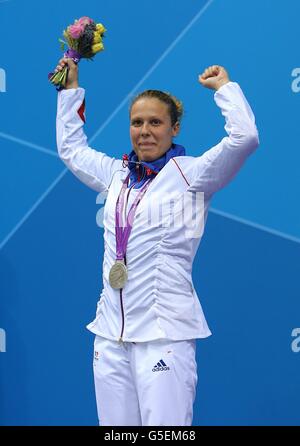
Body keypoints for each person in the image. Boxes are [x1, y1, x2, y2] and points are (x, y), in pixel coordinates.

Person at [55, 57, 259, 426]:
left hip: (164, 335)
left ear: (174, 128)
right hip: (109, 335)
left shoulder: (193, 174)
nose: (144, 131)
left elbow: (245, 138)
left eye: (155, 122)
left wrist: (225, 89)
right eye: (137, 122)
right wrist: (70, 92)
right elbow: (72, 150)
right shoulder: (116, 174)